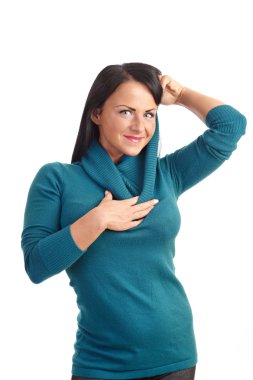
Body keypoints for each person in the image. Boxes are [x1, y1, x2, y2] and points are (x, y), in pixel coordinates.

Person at [21, 62, 247, 380]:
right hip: (100, 363)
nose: (140, 126)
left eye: (149, 114)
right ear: (96, 113)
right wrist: (98, 219)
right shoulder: (57, 179)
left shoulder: (168, 173)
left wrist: (180, 94)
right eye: (126, 111)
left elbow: (231, 126)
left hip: (174, 356)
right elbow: (36, 266)